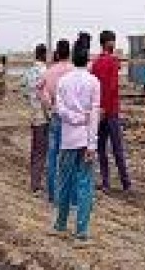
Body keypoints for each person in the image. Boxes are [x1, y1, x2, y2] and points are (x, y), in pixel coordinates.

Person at [52, 42, 100, 244]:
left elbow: (59, 109)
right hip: (85, 139)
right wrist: (92, 144)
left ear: (72, 58)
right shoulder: (94, 82)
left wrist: (74, 118)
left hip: (68, 139)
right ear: (88, 59)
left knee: (64, 182)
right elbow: (95, 114)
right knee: (84, 185)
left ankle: (61, 224)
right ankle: (81, 232)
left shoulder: (63, 82)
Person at [91, 30, 132, 193]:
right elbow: (112, 87)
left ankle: (106, 183)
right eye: (113, 41)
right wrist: (106, 108)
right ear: (108, 43)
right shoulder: (113, 62)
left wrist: (99, 109)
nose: (114, 44)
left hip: (99, 112)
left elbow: (96, 89)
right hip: (111, 111)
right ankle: (125, 183)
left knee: (101, 149)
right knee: (117, 148)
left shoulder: (95, 63)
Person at [38, 39, 74, 203]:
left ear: (57, 54)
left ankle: (53, 194)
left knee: (53, 156)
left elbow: (40, 91)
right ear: (69, 53)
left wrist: (50, 107)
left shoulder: (49, 72)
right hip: (71, 120)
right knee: (70, 157)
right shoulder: (74, 71)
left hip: (56, 116)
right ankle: (69, 195)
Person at [24, 44, 48, 194]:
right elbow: (45, 96)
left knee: (35, 150)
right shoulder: (45, 72)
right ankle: (36, 184)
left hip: (33, 114)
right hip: (43, 116)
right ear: (44, 55)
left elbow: (25, 92)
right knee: (42, 151)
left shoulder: (29, 72)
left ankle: (34, 180)